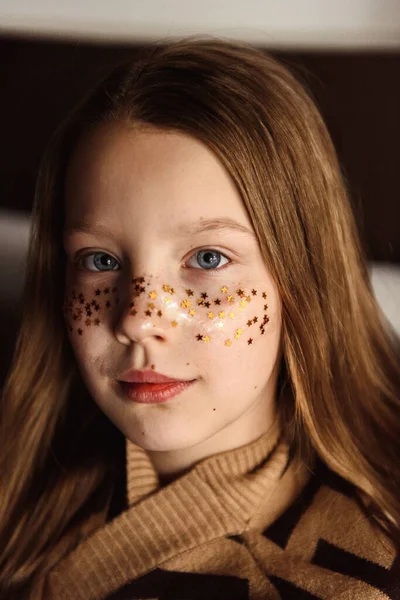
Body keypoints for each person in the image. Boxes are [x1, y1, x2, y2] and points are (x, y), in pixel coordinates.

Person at [0, 38, 399, 600]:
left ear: (302, 277)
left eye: (207, 259)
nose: (138, 320)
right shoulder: (26, 484)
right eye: (100, 261)